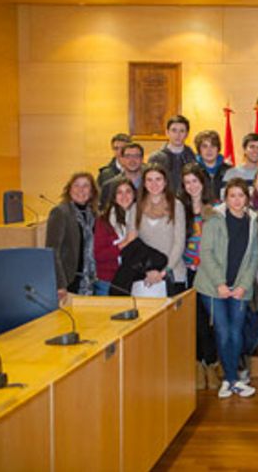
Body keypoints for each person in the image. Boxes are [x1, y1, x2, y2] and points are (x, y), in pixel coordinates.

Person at [194, 178, 258, 399]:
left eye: (241, 195)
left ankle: (235, 378)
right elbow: (206, 254)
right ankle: (230, 380)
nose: (237, 200)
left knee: (236, 332)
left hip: (240, 288)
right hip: (213, 288)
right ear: (226, 198)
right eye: (232, 195)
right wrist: (219, 284)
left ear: (247, 198)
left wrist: (243, 285)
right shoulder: (214, 220)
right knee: (222, 332)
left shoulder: (254, 222)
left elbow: (254, 258)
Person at [180, 163, 220, 390]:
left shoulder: (214, 208)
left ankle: (212, 365)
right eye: (187, 183)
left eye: (195, 181)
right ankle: (197, 366)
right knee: (193, 321)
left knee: (207, 321)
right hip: (184, 272)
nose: (192, 186)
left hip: (209, 271)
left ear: (203, 183)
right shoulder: (179, 208)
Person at [46, 172, 100, 301]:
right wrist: (60, 284)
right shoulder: (60, 212)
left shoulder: (94, 215)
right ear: (69, 190)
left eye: (86, 186)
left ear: (92, 192)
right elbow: (52, 251)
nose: (81, 190)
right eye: (76, 186)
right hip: (69, 282)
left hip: (91, 281)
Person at [136, 164, 187, 296]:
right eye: (149, 180)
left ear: (165, 182)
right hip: (144, 276)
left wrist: (164, 271)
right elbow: (132, 243)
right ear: (144, 183)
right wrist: (146, 271)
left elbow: (179, 242)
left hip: (173, 274)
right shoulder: (136, 208)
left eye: (158, 179)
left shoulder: (176, 205)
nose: (154, 184)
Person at [93, 177, 137, 296]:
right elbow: (98, 255)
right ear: (113, 196)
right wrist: (124, 244)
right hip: (108, 281)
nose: (124, 196)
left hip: (135, 280)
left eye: (128, 191)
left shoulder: (141, 218)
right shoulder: (103, 220)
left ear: (134, 194)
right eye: (119, 192)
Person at [148, 115, 196, 192]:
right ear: (167, 132)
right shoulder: (156, 158)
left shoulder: (192, 157)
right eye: (174, 130)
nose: (178, 135)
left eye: (182, 131)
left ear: (187, 134)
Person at [99, 142, 146, 210]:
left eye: (136, 156)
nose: (132, 160)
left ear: (142, 159)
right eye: (128, 156)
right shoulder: (109, 187)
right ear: (122, 159)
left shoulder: (151, 185)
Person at [195, 129, 232, 203]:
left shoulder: (229, 171)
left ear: (218, 148)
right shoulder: (193, 171)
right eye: (205, 146)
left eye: (213, 146)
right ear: (199, 150)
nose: (209, 150)